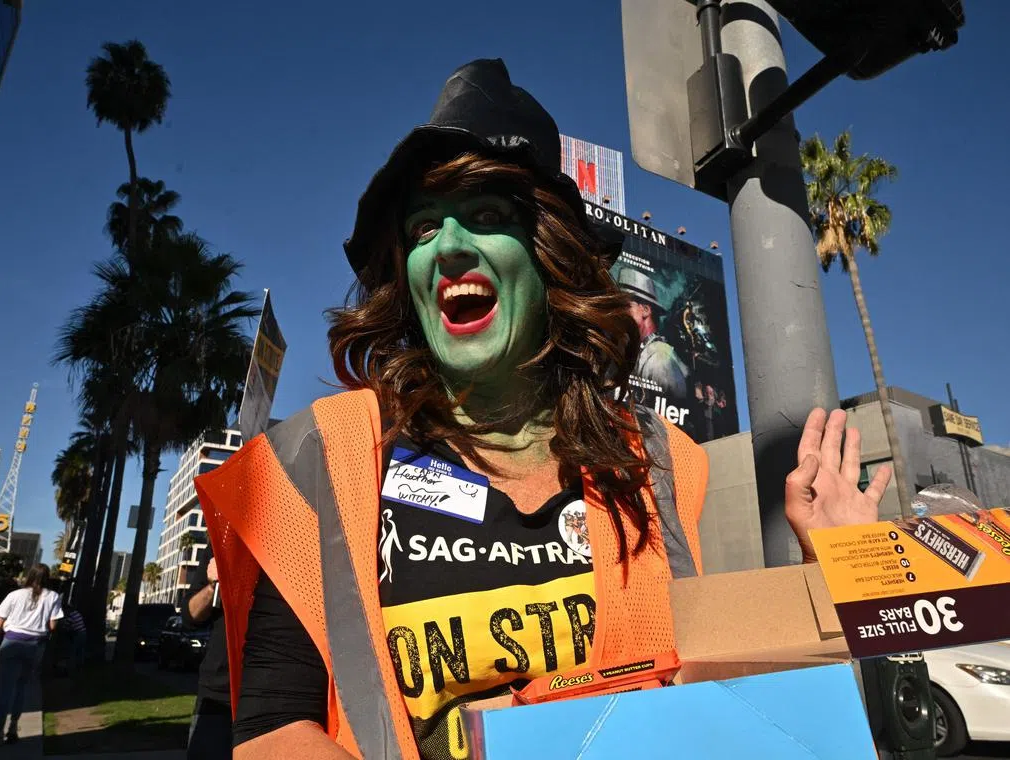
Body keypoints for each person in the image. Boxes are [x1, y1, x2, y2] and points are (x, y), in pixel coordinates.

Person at [195, 59, 893, 760]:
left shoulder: (652, 461)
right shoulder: (323, 455)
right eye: (424, 228)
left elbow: (703, 693)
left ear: (549, 257)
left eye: (488, 217)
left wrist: (831, 571)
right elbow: (272, 730)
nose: (450, 248)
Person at [0, 563, 63, 746]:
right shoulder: (53, 596)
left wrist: (1, 635)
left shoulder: (14, 595)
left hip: (12, 640)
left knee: (4, 689)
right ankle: (13, 727)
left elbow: (0, 621)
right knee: (21, 687)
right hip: (35, 644)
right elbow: (53, 626)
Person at [183, 544, 231, 759]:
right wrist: (213, 585)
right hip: (219, 694)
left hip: (279, 698)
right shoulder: (221, 541)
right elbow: (190, 615)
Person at [618, 267, 690, 404]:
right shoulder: (641, 351)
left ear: (645, 310)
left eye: (625, 306)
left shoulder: (658, 357)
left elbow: (674, 412)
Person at [60, 602, 86, 672]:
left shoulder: (71, 616)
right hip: (83, 632)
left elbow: (66, 627)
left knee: (73, 650)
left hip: (78, 633)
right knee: (80, 650)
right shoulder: (77, 613)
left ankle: (72, 666)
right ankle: (79, 665)